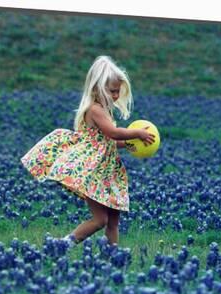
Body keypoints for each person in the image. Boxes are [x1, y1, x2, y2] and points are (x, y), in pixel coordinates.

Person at [20, 55, 155, 248]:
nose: (116, 96)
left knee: (113, 220)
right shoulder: (95, 110)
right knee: (100, 220)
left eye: (118, 91)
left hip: (108, 173)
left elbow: (108, 141)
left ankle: (112, 254)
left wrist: (128, 143)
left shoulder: (105, 111)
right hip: (94, 172)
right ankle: (64, 244)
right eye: (112, 91)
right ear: (97, 88)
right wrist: (137, 133)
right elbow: (113, 132)